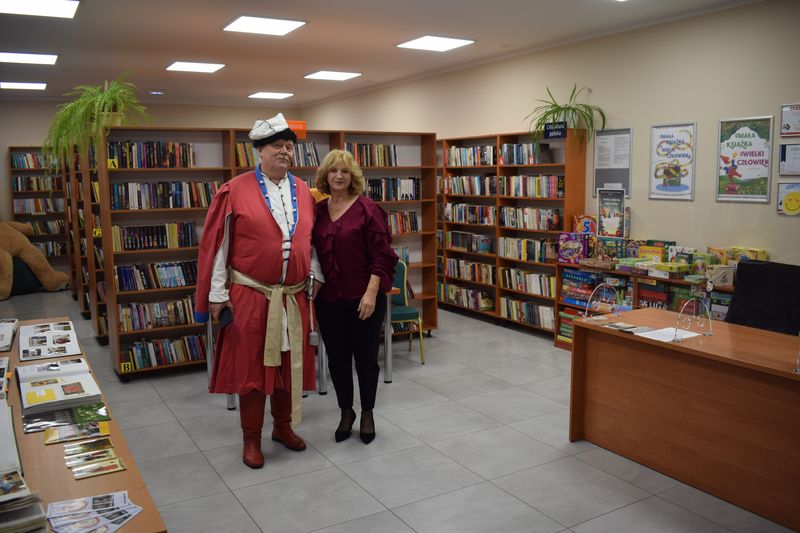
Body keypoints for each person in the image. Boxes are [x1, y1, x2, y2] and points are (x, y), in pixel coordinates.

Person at [195, 113, 322, 469]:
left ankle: (282, 428)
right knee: (252, 371)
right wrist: (217, 294)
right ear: (259, 151)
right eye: (276, 146)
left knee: (289, 366)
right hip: (251, 296)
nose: (284, 152)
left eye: (289, 147)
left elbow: (310, 241)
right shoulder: (234, 190)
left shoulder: (303, 190)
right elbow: (218, 246)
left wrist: (314, 274)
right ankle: (251, 439)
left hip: (294, 297)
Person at [312, 150, 398, 444]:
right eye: (333, 171)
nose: (339, 176)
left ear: (353, 177)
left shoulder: (368, 209)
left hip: (364, 298)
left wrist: (371, 292)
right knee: (337, 360)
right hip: (329, 300)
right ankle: (345, 411)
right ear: (325, 176)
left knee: (366, 359)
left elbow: (383, 255)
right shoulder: (318, 211)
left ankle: (368, 412)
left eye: (345, 171)